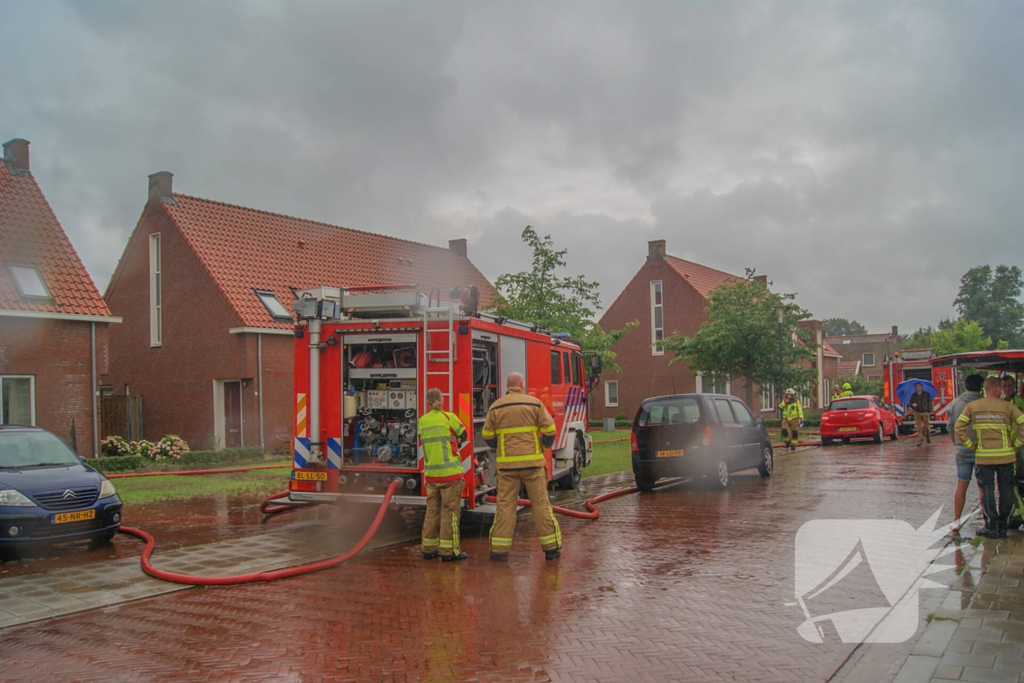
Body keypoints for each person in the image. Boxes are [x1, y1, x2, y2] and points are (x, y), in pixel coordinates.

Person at [482, 372, 560, 561]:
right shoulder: (535, 404)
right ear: (522, 384)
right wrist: (541, 448)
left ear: (507, 386)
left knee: (505, 507)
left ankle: (499, 551)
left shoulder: (496, 407)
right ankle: (551, 549)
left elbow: (487, 435)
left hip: (506, 468)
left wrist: (501, 448)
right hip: (533, 466)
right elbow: (550, 430)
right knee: (541, 505)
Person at [955, 376, 1024, 539]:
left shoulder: (973, 407)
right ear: (998, 389)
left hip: (984, 457)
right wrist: (1016, 444)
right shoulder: (1008, 406)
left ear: (985, 390)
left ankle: (991, 527)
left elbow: (959, 427)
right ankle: (1003, 527)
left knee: (987, 491)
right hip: (1006, 457)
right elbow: (1022, 423)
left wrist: (971, 445)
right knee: (1006, 490)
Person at [418, 387, 469, 562]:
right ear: (442, 401)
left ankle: (428, 549)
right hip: (451, 475)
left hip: (431, 475)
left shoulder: (422, 421)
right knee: (450, 513)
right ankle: (449, 551)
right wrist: (456, 439)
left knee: (431, 512)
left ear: (427, 402)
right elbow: (464, 434)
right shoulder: (449, 418)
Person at [947, 374, 984, 534]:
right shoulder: (985, 403)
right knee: (983, 486)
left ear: (965, 385)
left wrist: (957, 444)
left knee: (961, 485)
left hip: (961, 449)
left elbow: (950, 427)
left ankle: (956, 520)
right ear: (981, 386)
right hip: (982, 450)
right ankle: (986, 519)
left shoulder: (955, 403)